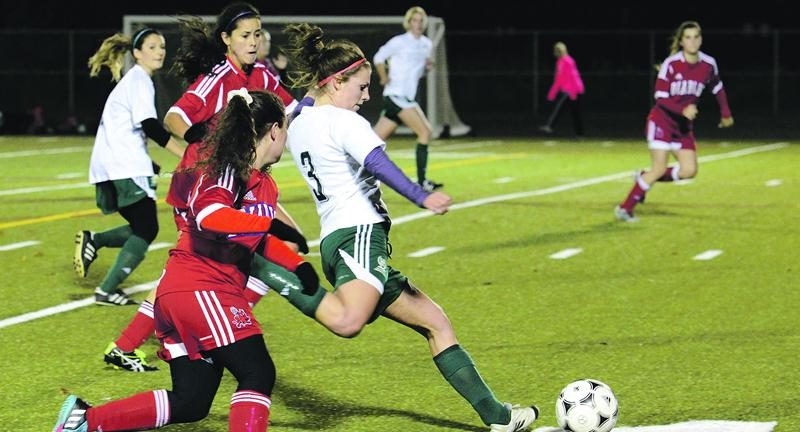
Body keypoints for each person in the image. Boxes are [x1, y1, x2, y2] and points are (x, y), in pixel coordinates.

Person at [282, 22, 539, 432]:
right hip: (360, 235)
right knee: (349, 322)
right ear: (335, 82)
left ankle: (499, 417)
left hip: (337, 241)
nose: (367, 96)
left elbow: (304, 101)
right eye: (361, 87)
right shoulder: (344, 122)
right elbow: (378, 163)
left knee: (435, 322)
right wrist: (422, 196)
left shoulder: (298, 117)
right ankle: (273, 272)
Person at [53, 89, 317, 432]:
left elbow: (247, 235)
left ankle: (84, 421)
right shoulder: (227, 168)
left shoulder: (260, 180)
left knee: (191, 402)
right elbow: (210, 215)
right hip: (202, 289)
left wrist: (297, 266)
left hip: (185, 294)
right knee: (257, 371)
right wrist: (271, 224)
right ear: (275, 130)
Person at [97, 2, 319, 373]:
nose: (253, 41)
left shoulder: (261, 74)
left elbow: (296, 109)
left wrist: (327, 91)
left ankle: (209, 327)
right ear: (226, 39)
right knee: (192, 265)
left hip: (237, 185)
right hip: (199, 187)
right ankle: (153, 339)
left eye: (257, 34)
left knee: (279, 243)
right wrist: (199, 135)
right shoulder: (218, 76)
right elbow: (174, 116)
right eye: (245, 35)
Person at [73, 28, 184, 306]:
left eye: (162, 47)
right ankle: (106, 290)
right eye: (152, 47)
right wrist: (185, 154)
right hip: (123, 165)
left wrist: (151, 165)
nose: (160, 51)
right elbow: (149, 126)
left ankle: (94, 241)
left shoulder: (132, 81)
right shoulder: (139, 80)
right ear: (137, 53)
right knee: (147, 229)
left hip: (111, 164)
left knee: (140, 225)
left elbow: (126, 130)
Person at [615, 21, 734, 222]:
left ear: (701, 39)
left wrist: (725, 113)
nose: (693, 41)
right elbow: (660, 97)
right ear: (681, 41)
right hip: (661, 122)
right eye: (688, 37)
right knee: (659, 168)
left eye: (696, 36)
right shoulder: (671, 64)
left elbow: (717, 87)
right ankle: (625, 208)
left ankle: (643, 176)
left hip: (683, 127)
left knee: (689, 170)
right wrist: (682, 109)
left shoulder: (708, 64)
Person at [372, 6, 444, 192]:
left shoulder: (427, 44)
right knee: (425, 132)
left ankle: (349, 170)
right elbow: (379, 57)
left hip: (406, 97)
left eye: (421, 21)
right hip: (396, 95)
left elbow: (418, 72)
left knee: (372, 141)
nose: (418, 24)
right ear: (409, 22)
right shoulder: (399, 41)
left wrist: (427, 67)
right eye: (415, 20)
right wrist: (383, 76)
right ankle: (422, 181)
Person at [539, 41, 585, 137]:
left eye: (557, 50)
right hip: (572, 90)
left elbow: (573, 77)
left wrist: (573, 93)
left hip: (574, 90)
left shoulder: (567, 61)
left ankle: (550, 126)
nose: (556, 52)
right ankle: (580, 134)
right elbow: (558, 80)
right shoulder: (561, 62)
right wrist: (552, 93)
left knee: (561, 108)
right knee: (575, 113)